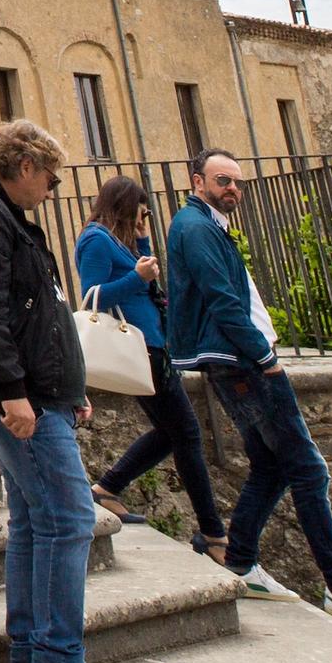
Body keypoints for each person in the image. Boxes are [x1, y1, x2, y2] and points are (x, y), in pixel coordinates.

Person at [160, 149, 332, 634]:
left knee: (272, 464)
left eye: (237, 181)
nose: (232, 188)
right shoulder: (195, 228)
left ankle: (239, 559)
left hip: (234, 358)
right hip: (241, 361)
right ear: (198, 181)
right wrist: (264, 355)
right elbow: (222, 298)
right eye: (222, 180)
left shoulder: (207, 225)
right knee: (308, 467)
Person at [0, 118, 142, 663]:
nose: (55, 188)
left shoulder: (2, 215)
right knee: (71, 516)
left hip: (34, 391)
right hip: (10, 395)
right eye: (51, 177)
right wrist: (14, 394)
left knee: (34, 519)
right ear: (23, 165)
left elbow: (41, 309)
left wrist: (66, 388)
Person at [74, 175, 227, 563]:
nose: (144, 218)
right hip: (142, 352)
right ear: (125, 205)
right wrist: (136, 277)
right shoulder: (95, 239)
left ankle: (109, 488)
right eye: (141, 212)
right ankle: (213, 534)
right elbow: (93, 296)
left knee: (172, 432)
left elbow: (143, 282)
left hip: (154, 350)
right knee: (186, 434)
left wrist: (141, 244)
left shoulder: (120, 241)